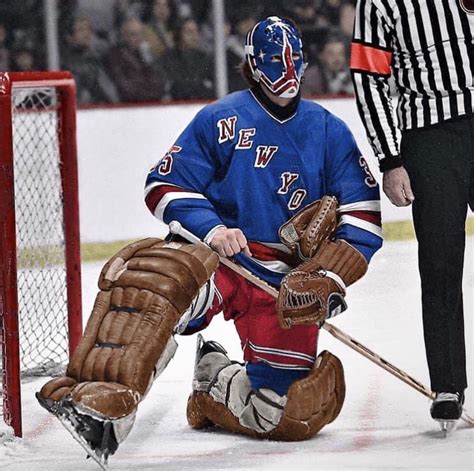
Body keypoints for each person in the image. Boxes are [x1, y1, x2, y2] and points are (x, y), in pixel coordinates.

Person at [36, 17, 382, 463]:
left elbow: (363, 217)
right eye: (277, 61)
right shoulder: (223, 119)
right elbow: (163, 185)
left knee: (288, 413)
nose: (288, 72)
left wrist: (326, 276)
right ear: (253, 66)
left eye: (295, 60)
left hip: (284, 285)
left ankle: (213, 382)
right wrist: (213, 230)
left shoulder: (330, 132)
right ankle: (101, 399)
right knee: (157, 284)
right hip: (218, 258)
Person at [350, 0, 473, 426]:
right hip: (431, 136)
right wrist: (390, 158)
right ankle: (448, 385)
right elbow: (368, 77)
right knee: (440, 263)